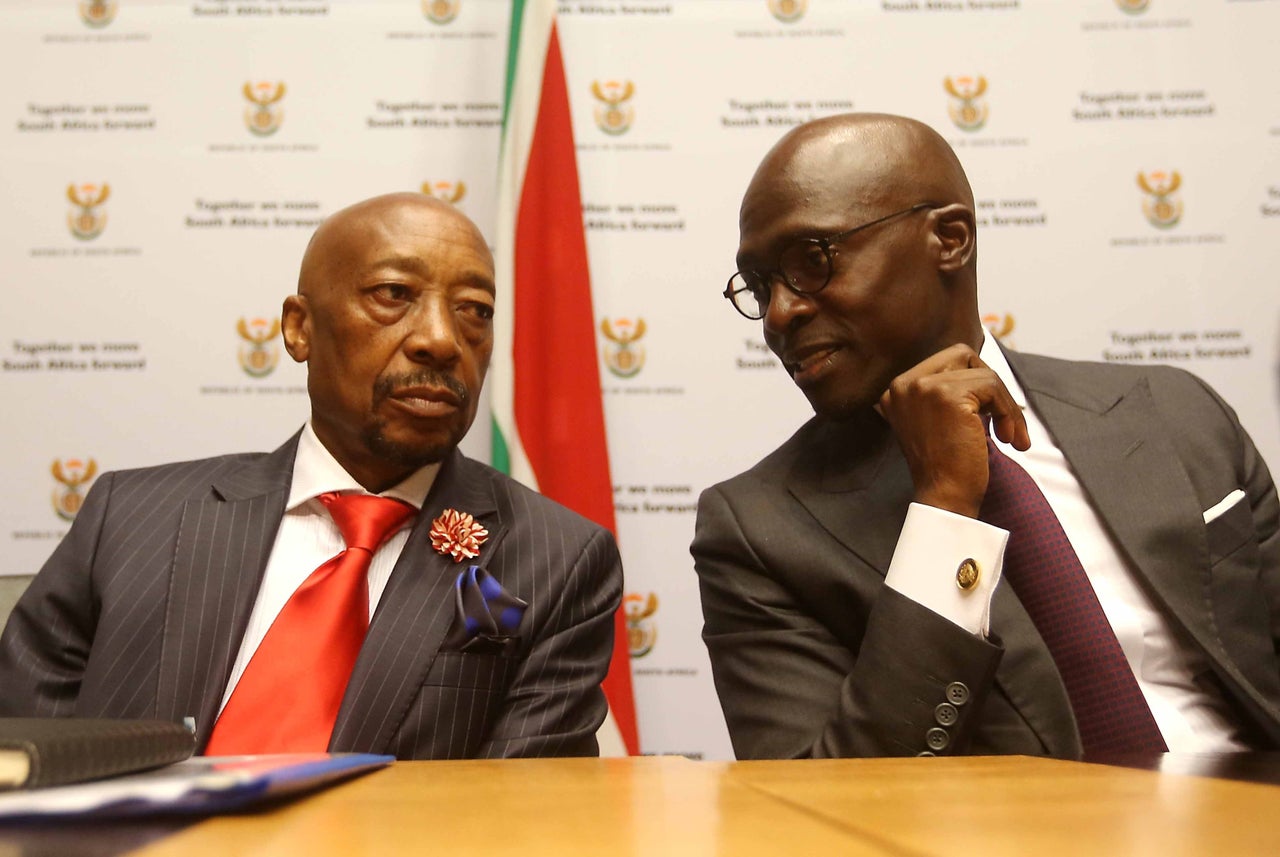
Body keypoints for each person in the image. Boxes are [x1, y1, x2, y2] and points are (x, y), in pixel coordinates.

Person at [693, 113, 1280, 760]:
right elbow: (829, 804)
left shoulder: (1171, 411)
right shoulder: (759, 530)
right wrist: (943, 511)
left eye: (812, 260)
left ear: (950, 238)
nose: (779, 314)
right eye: (759, 284)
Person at [0, 192, 622, 759]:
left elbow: (518, 817)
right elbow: (25, 755)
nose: (439, 339)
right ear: (299, 328)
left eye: (474, 311)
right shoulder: (132, 518)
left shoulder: (556, 560)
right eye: (393, 295)